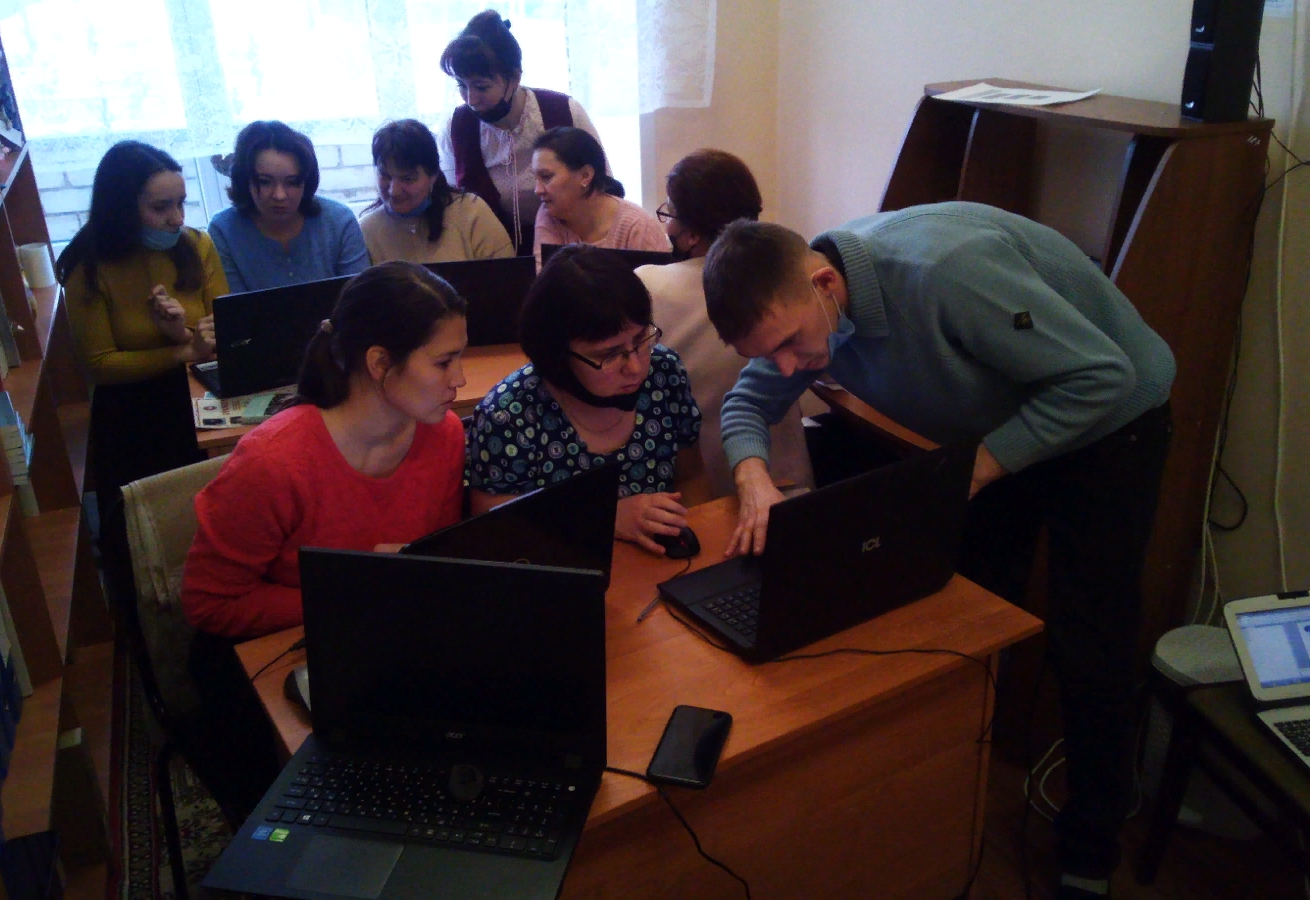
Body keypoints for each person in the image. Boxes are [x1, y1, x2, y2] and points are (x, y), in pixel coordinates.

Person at [703, 204, 1176, 900]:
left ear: (825, 284)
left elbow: (1103, 377)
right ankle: (954, 794)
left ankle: (1092, 846)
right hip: (1005, 427)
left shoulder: (946, 274)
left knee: (1090, 638)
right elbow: (747, 403)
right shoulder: (803, 314)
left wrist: (979, 469)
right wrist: (753, 480)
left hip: (1111, 421)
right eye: (768, 355)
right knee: (968, 613)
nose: (787, 366)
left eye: (791, 345)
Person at [179, 262, 469, 818]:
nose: (459, 378)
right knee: (337, 801)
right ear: (379, 363)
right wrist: (352, 586)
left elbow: (423, 561)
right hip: (270, 653)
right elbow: (208, 603)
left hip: (370, 631)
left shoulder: (444, 434)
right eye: (443, 361)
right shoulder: (273, 463)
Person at [467, 245, 704, 555]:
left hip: (655, 561)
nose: (635, 367)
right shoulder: (508, 414)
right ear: (557, 354)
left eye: (640, 339)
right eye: (608, 354)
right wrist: (605, 518)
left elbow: (692, 476)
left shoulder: (664, 373)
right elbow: (490, 527)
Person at [56, 140, 223, 565]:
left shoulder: (197, 245)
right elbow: (99, 365)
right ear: (122, 208)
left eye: (181, 203)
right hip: (131, 416)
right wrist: (181, 351)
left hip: (199, 400)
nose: (176, 218)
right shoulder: (88, 266)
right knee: (144, 545)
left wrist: (180, 334)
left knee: (212, 530)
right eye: (160, 207)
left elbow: (223, 334)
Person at [636, 149, 814, 499]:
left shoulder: (646, 287)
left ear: (691, 234)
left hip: (698, 489)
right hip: (788, 479)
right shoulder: (791, 276)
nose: (667, 226)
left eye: (670, 213)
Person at [437, 9, 603, 254]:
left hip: (570, 252)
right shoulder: (457, 127)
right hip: (491, 255)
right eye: (462, 85)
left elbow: (603, 188)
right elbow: (454, 210)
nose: (471, 99)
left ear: (514, 78)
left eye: (481, 87)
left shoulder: (564, 111)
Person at [208, 120, 369, 293]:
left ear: (306, 182)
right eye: (265, 182)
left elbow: (360, 298)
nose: (279, 195)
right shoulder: (223, 230)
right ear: (244, 180)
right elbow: (234, 306)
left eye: (292, 182)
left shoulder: (339, 221)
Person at [358, 118, 513, 265]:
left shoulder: (471, 213)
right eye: (385, 176)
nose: (394, 191)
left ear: (433, 176)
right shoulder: (367, 230)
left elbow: (508, 277)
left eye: (407, 179)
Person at [531, 127, 668, 266]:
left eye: (546, 177)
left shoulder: (638, 227)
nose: (537, 190)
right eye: (536, 178)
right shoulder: (548, 215)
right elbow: (547, 278)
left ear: (585, 175)